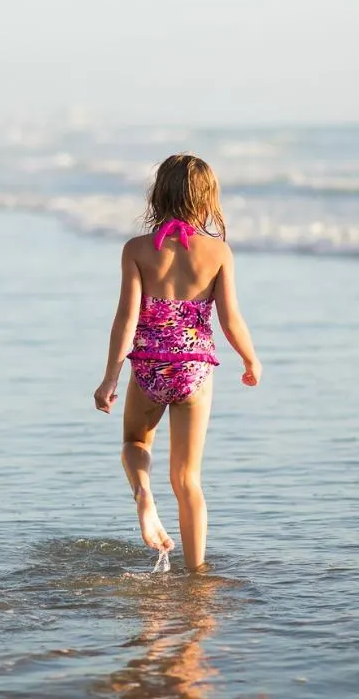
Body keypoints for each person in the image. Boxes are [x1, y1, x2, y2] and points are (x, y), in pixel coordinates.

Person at [93, 153, 262, 571]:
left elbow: (126, 318)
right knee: (188, 480)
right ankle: (197, 572)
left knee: (135, 443)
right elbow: (230, 318)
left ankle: (144, 497)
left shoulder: (136, 250)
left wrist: (109, 378)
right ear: (207, 200)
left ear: (157, 195)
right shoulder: (218, 252)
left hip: (149, 365)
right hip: (194, 369)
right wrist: (250, 359)